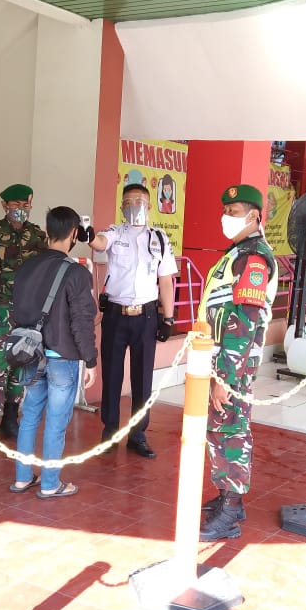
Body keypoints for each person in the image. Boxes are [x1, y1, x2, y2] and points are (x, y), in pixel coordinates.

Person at [197, 184, 278, 542]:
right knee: (220, 430)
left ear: (254, 216)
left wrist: (225, 379)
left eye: (233, 212)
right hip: (220, 360)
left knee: (231, 431)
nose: (225, 218)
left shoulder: (253, 258)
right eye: (225, 211)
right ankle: (227, 497)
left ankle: (230, 511)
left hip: (233, 365)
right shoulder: (237, 254)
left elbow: (245, 323)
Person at [8, 207, 97, 498]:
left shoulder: (27, 267)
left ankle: (22, 478)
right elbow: (82, 321)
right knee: (56, 422)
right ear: (74, 234)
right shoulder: (77, 273)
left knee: (29, 416)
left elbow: (17, 310)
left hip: (30, 353)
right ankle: (49, 483)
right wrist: (91, 360)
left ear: (47, 231)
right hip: (62, 357)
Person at [88, 182, 177, 457]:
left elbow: (166, 281)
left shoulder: (159, 238)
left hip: (146, 317)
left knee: (142, 379)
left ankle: (138, 435)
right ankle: (110, 432)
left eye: (139, 201)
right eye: (128, 202)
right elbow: (99, 243)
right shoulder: (115, 233)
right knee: (112, 375)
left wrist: (168, 318)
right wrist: (88, 234)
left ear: (149, 206)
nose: (134, 206)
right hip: (116, 315)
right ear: (122, 207)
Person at [0, 183, 47, 451]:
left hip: (28, 312)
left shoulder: (37, 236)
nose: (21, 210)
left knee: (21, 366)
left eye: (26, 205)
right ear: (4, 206)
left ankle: (10, 421)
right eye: (16, 205)